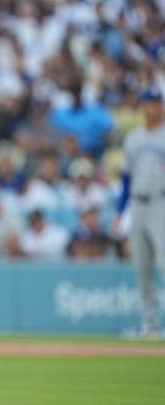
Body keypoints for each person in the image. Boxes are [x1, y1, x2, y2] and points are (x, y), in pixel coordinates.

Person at [114, 86, 165, 339]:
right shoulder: (133, 138)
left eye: (155, 102)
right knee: (141, 267)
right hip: (137, 204)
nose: (151, 107)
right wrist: (120, 210)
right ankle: (151, 324)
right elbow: (126, 178)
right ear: (141, 106)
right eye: (147, 102)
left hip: (161, 203)